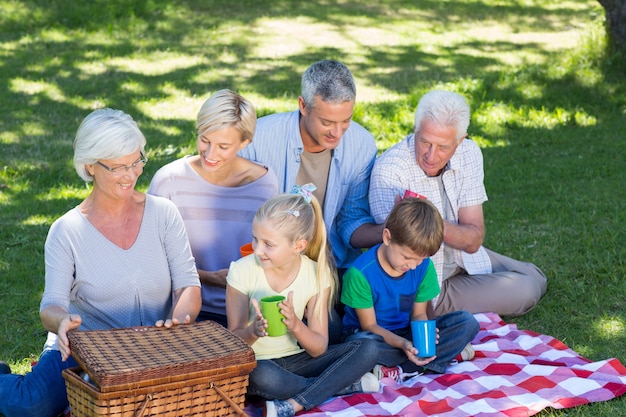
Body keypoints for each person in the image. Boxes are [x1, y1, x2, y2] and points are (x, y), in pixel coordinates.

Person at [0, 108, 202, 417]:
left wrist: (178, 323)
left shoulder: (164, 214)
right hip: (86, 352)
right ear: (90, 166)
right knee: (30, 404)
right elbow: (51, 306)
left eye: (137, 161)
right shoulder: (66, 231)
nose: (132, 174)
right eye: (119, 167)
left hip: (155, 351)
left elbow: (188, 285)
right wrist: (61, 323)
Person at [369, 90, 547, 317]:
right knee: (527, 289)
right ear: (415, 130)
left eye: (442, 147)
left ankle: (479, 286)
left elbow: (473, 240)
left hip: (464, 257)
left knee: (538, 277)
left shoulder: (469, 152)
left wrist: (427, 219)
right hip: (430, 285)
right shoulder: (390, 170)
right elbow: (399, 265)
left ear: (460, 141)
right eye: (424, 141)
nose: (430, 156)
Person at [226, 185, 379, 417]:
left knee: (368, 347)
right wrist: (254, 331)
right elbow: (232, 344)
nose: (257, 250)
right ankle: (338, 386)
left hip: (299, 360)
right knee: (260, 375)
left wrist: (296, 325)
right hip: (260, 364)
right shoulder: (242, 271)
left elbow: (318, 348)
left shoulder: (317, 274)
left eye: (268, 244)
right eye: (255, 239)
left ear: (298, 246)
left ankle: (294, 402)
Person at [148, 89, 278, 327]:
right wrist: (207, 278)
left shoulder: (264, 185)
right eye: (205, 140)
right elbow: (150, 259)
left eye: (223, 146)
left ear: (245, 142)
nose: (210, 154)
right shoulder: (169, 181)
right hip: (182, 313)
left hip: (248, 314)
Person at [239, 59, 382, 272]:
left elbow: (350, 220)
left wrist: (391, 230)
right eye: (327, 122)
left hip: (332, 267)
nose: (337, 132)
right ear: (303, 106)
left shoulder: (362, 145)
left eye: (346, 120)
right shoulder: (257, 140)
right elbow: (239, 215)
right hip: (268, 266)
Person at [342, 197, 479, 382]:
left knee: (467, 322)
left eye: (420, 259)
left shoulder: (423, 266)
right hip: (374, 336)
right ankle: (431, 361)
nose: (413, 266)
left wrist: (425, 334)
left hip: (407, 333)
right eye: (407, 257)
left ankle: (402, 368)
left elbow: (419, 314)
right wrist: (403, 344)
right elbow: (370, 326)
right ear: (387, 237)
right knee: (361, 347)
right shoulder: (360, 274)